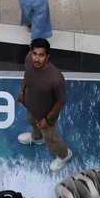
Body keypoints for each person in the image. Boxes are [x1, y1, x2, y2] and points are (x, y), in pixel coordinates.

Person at [17, 38, 73, 172]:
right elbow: (27, 74)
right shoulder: (29, 59)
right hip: (31, 106)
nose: (36, 59)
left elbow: (61, 101)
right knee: (31, 122)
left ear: (47, 56)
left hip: (47, 116)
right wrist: (22, 91)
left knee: (51, 139)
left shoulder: (56, 79)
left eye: (41, 55)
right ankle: (37, 138)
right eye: (34, 54)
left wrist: (47, 119)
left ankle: (64, 155)